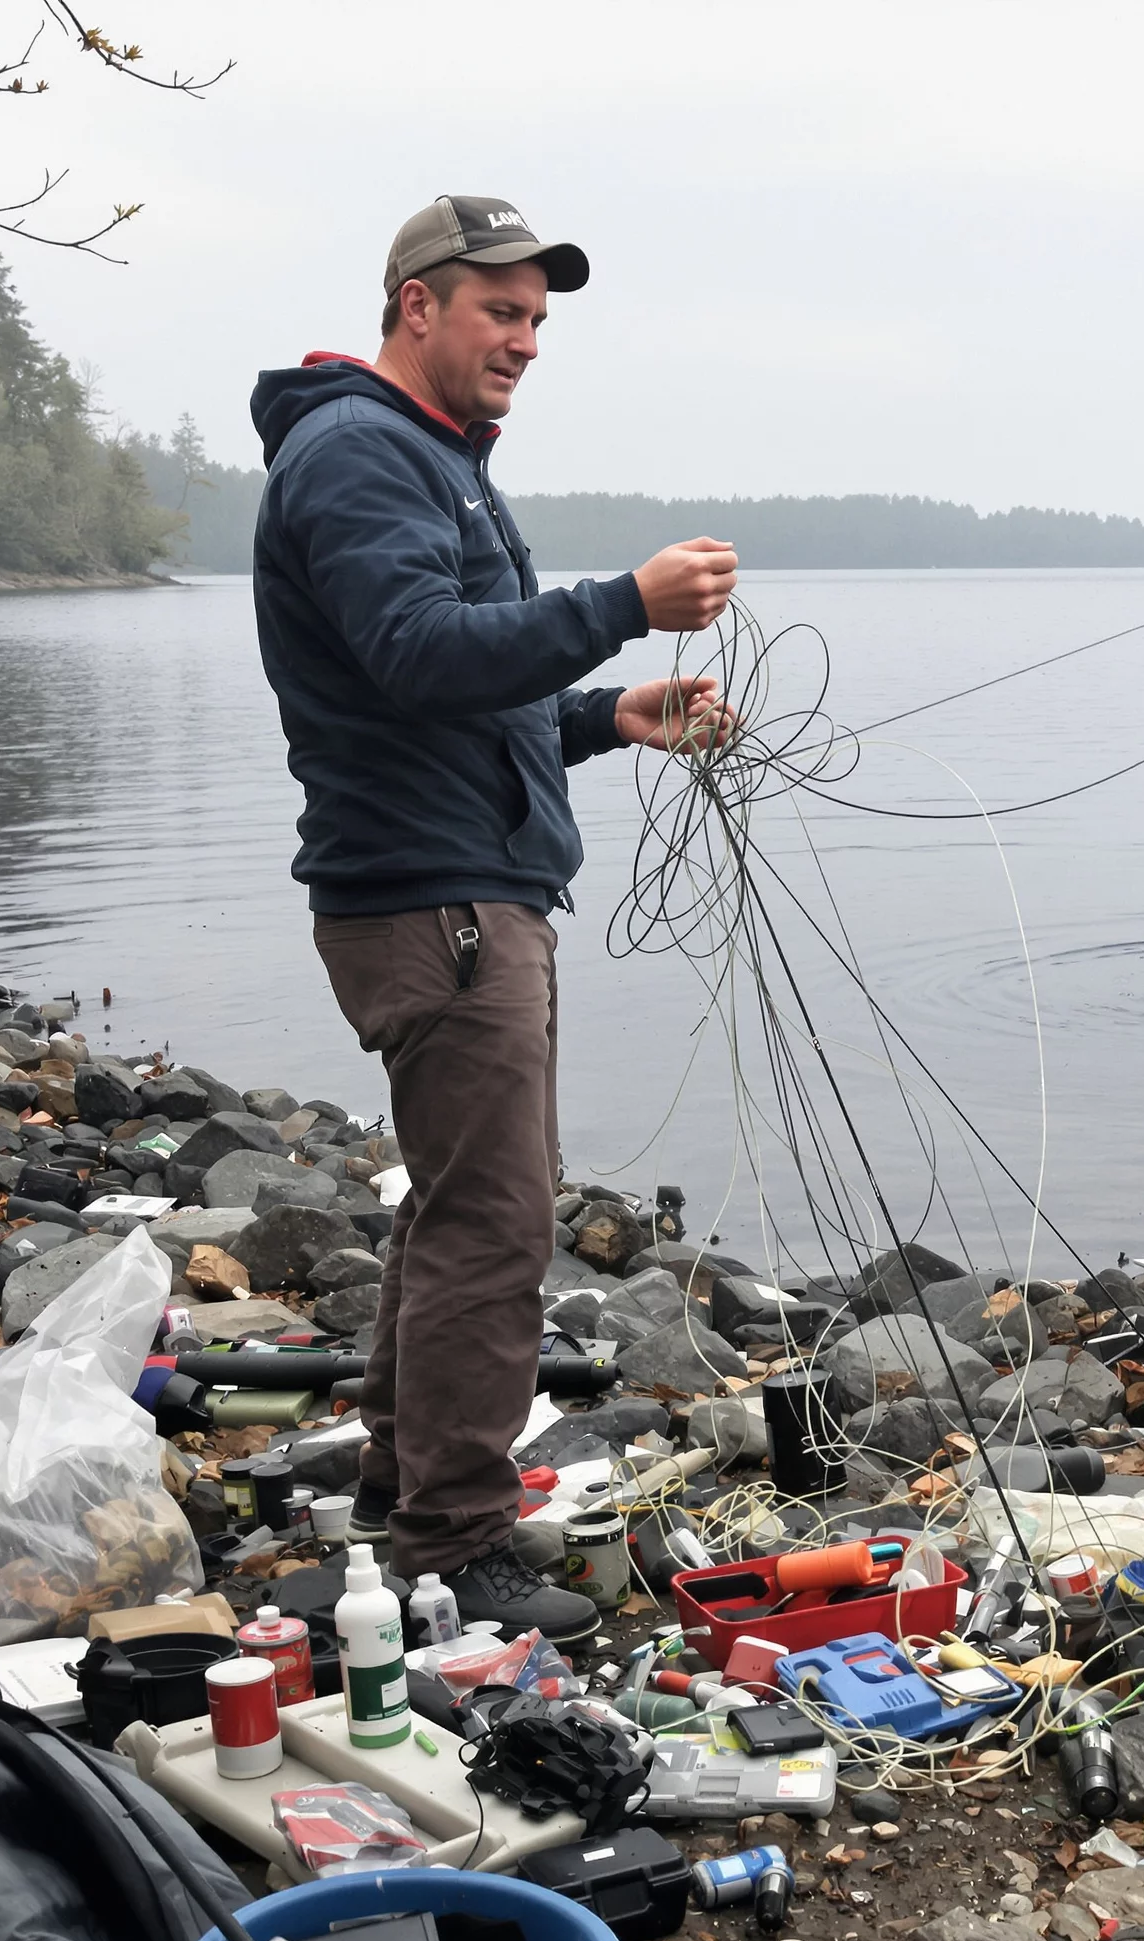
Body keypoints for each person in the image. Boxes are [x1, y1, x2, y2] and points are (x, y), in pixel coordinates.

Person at [249, 194, 738, 1643]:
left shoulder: (429, 457)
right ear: (418, 306)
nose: (525, 341)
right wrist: (622, 602)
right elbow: (417, 656)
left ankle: (403, 1493)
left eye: (536, 318)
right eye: (499, 312)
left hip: (462, 888)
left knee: (459, 1202)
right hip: (436, 903)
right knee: (496, 1220)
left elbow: (458, 691)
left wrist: (605, 716)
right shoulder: (362, 453)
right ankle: (455, 1544)